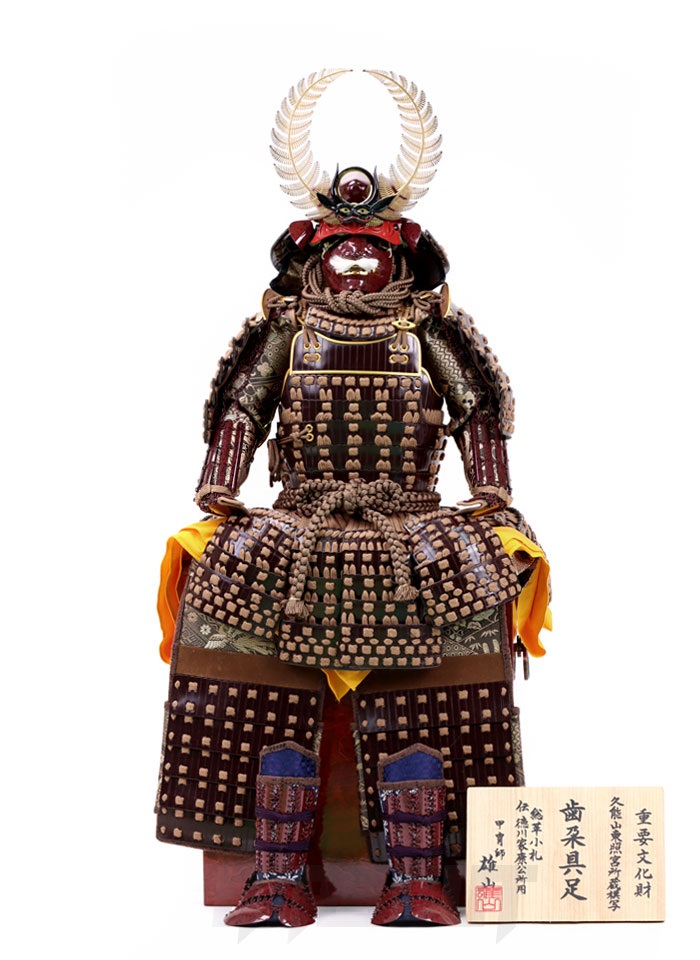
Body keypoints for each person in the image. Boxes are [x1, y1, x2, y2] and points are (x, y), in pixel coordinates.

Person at [156, 69, 551, 927]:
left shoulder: (427, 329)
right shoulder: (287, 329)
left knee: (461, 617)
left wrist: (491, 493)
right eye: (341, 245)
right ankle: (276, 870)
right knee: (225, 587)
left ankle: (421, 873)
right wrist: (221, 485)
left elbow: (477, 408)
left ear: (402, 255)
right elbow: (243, 405)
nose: (358, 260)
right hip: (298, 513)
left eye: (373, 246)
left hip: (413, 518)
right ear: (313, 255)